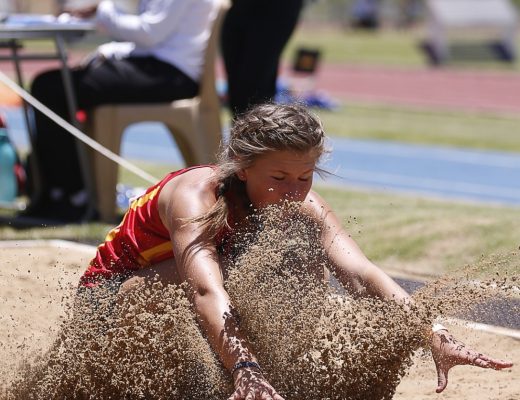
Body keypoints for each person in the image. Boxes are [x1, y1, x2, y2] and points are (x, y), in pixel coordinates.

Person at [79, 103, 512, 399]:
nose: (293, 192)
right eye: (279, 178)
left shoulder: (303, 204)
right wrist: (245, 369)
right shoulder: (195, 197)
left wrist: (432, 334)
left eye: (305, 178)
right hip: (109, 305)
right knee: (214, 274)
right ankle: (237, 375)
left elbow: (360, 274)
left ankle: (264, 375)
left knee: (301, 259)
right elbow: (205, 290)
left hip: (199, 300)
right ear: (242, 167)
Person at [24, 0, 220, 222]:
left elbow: (149, 33)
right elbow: (155, 40)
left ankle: (70, 195)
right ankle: (61, 191)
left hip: (170, 74)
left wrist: (104, 10)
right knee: (53, 85)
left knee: (52, 88)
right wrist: (110, 50)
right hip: (160, 66)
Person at [221, 0, 304, 117]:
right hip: (237, 7)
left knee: (254, 83)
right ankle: (241, 126)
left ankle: (258, 126)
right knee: (235, 86)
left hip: (275, 9)